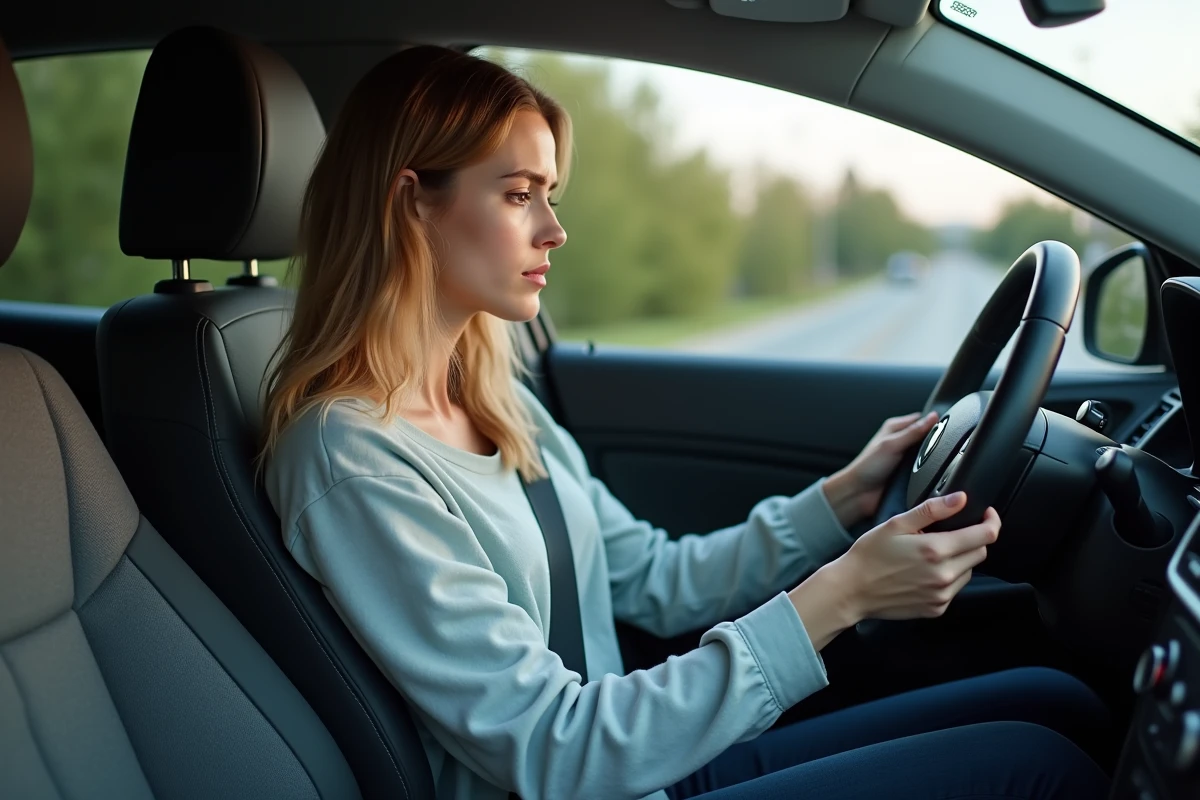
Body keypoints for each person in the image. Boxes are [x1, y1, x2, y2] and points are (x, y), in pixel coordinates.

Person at [259, 45, 1111, 800]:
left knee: (1055, 702)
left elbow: (657, 580)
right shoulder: (352, 460)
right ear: (412, 203)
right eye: (519, 195)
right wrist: (843, 594)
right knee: (1041, 768)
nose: (555, 230)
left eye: (549, 195)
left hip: (638, 769)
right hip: (592, 770)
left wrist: (841, 500)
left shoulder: (496, 403)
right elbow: (553, 748)